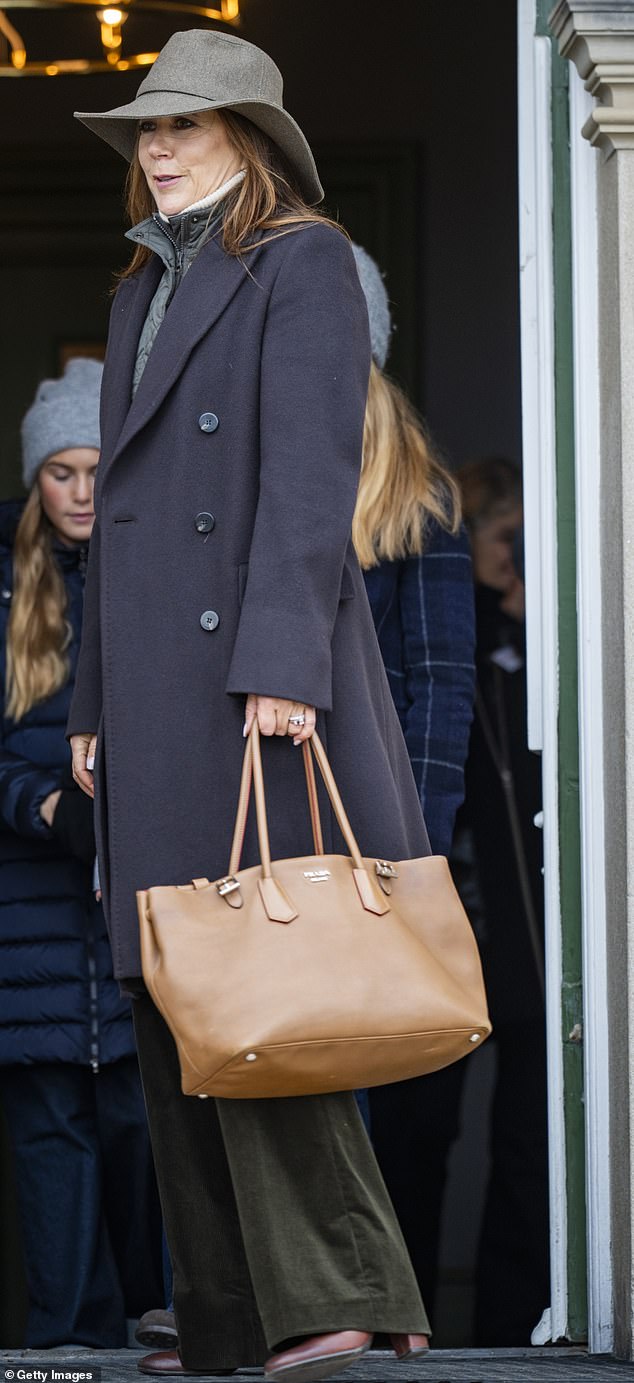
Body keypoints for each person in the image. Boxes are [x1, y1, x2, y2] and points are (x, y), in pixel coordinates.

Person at [68, 31, 433, 1383]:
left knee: (270, 984)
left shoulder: (305, 265)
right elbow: (121, 523)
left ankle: (333, 1290)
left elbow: (305, 478)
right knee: (180, 987)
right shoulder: (135, 293)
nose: (158, 149)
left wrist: (282, 657)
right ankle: (228, 1311)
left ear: (255, 148)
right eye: (148, 134)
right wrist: (91, 699)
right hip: (157, 691)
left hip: (253, 685)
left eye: (189, 128)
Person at [0, 359, 163, 1348]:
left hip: (141, 916)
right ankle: (59, 1356)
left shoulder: (161, 584)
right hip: (30, 925)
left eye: (99, 468)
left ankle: (156, 1341)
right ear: (36, 480)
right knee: (50, 1150)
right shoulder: (7, 590)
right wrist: (43, 805)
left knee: (146, 1142)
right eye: (61, 471)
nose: (83, 493)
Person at [350, 245, 476, 1317]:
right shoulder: (248, 461)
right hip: (266, 814)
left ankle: (376, 1301)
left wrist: (417, 843)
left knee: (370, 1070)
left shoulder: (416, 489)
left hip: (380, 825)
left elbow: (440, 679)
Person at [457, 457, 549, 1344]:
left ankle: (511, 1326)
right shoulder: (456, 630)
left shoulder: (548, 632)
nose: (515, 547)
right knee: (418, 1134)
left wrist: (529, 613)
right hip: (458, 922)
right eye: (500, 528)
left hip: (528, 937)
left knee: (531, 1141)